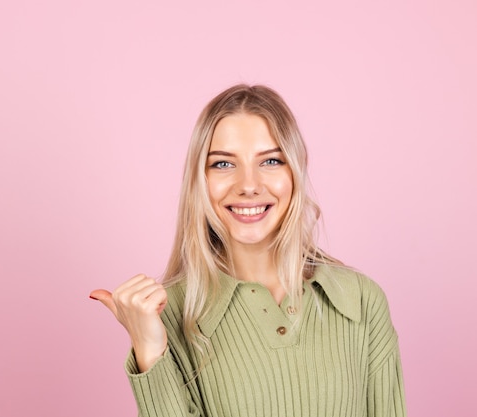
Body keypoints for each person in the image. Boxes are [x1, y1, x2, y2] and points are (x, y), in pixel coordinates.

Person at [90, 84, 406, 416]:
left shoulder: (359, 301)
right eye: (223, 164)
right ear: (200, 180)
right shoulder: (167, 313)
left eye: (270, 160)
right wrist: (150, 349)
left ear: (295, 172)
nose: (249, 185)